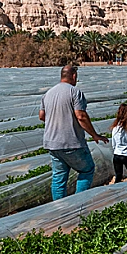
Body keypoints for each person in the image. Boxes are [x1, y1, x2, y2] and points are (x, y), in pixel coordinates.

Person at [39, 65, 109, 200]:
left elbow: (42, 116)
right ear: (74, 76)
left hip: (52, 143)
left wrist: (57, 121)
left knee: (59, 178)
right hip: (71, 143)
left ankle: (60, 207)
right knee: (87, 170)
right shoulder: (74, 92)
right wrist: (95, 135)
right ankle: (78, 203)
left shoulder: (48, 94)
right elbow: (81, 116)